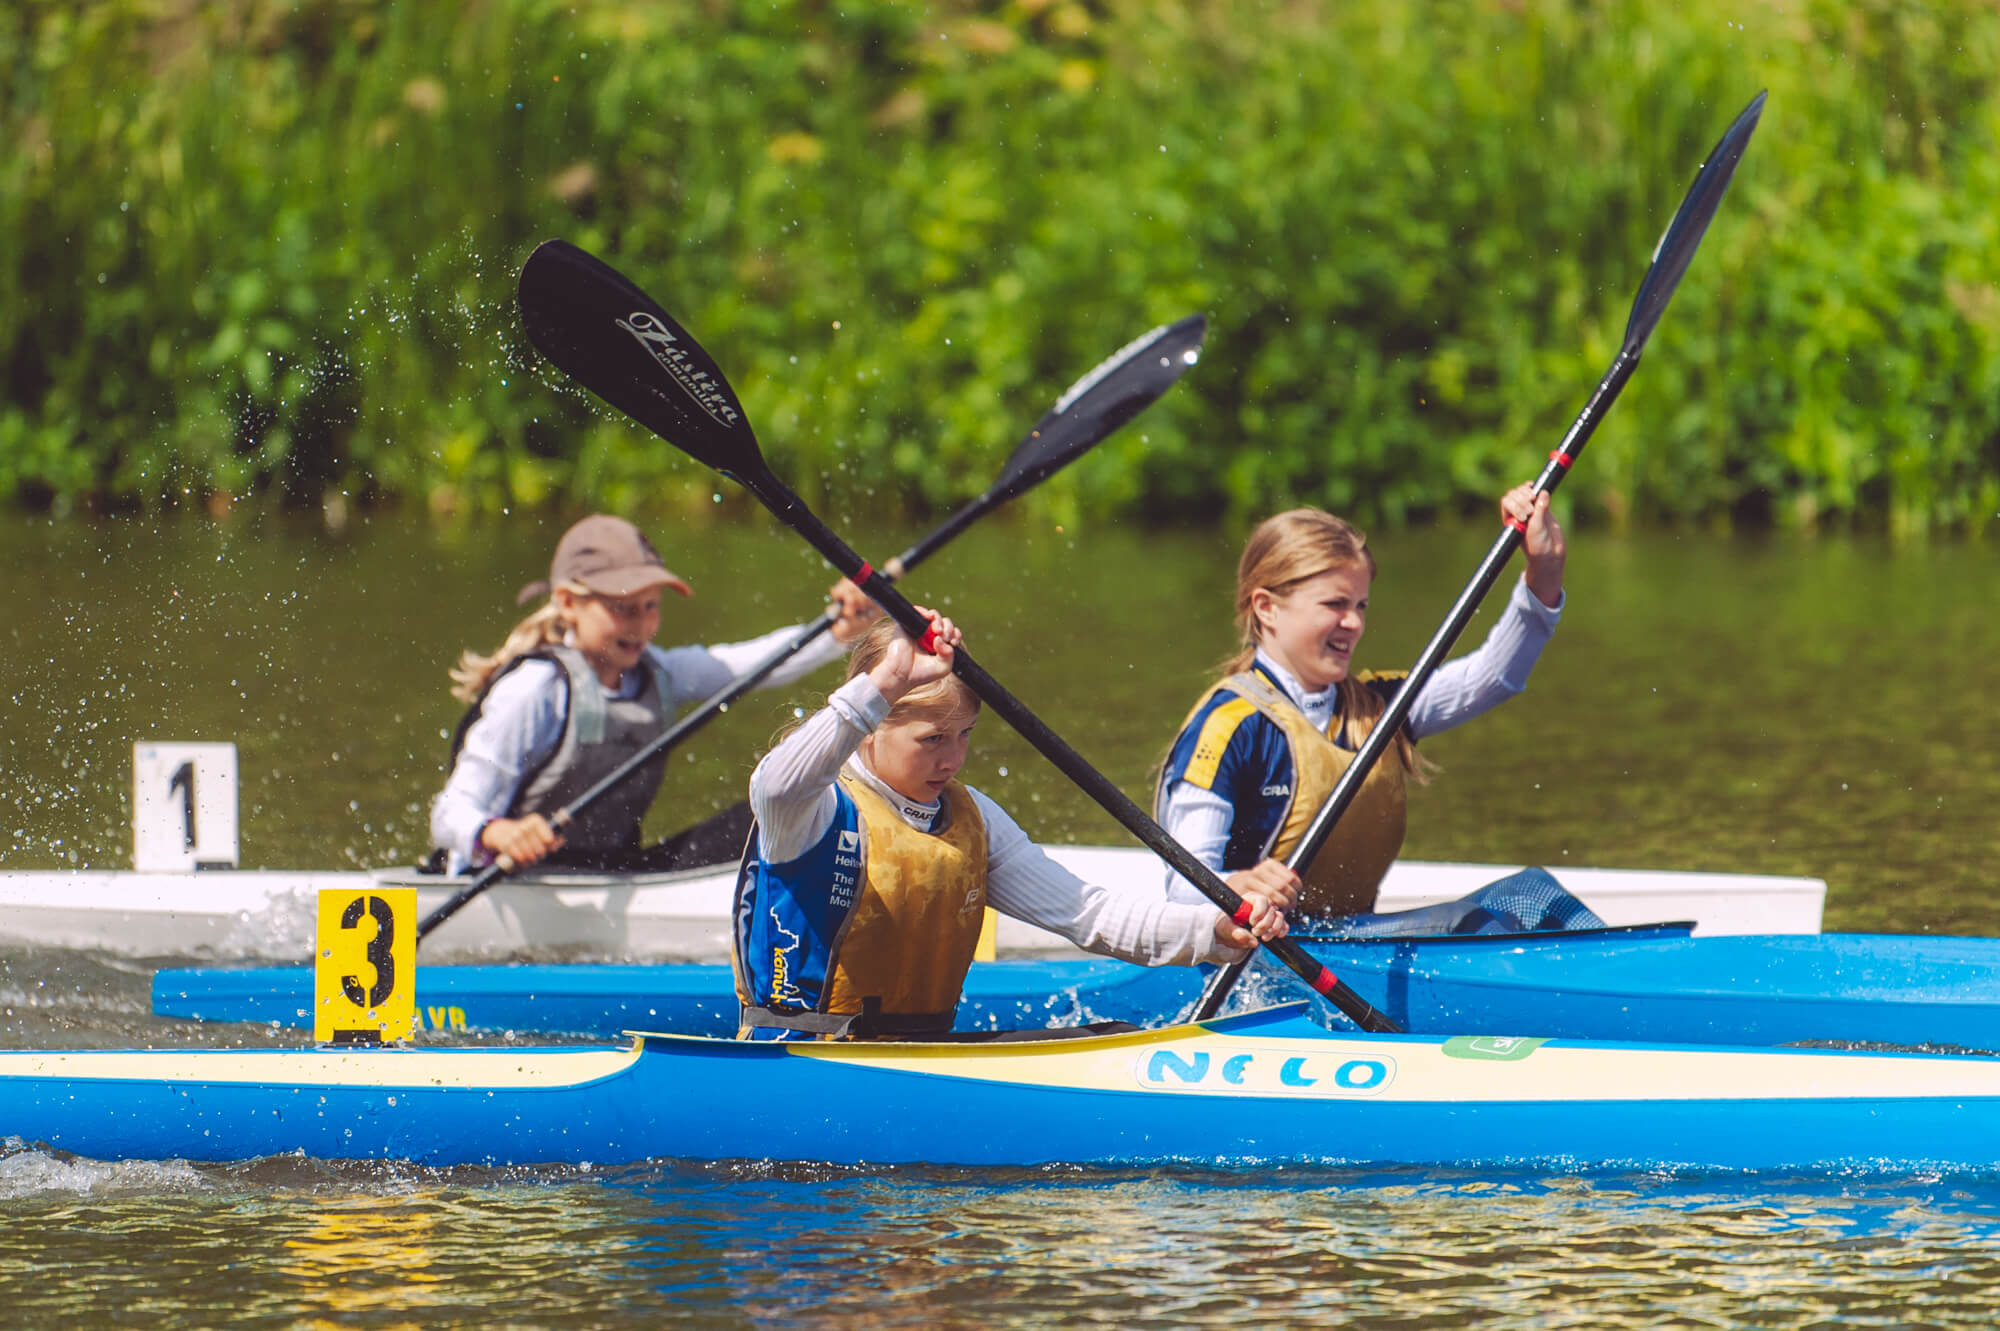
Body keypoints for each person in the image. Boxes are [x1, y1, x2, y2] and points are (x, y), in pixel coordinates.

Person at [731, 611, 1293, 1040]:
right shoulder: (817, 809)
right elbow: (772, 787)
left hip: (919, 1063)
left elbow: (1086, 912)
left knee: (1116, 1039)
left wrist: (1207, 931)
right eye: (932, 740)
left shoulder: (971, 817)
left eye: (965, 735)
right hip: (801, 1062)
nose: (952, 761)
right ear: (873, 726)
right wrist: (885, 684)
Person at [1155, 490, 1603, 938]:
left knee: (1532, 894)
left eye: (1361, 605)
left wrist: (1544, 570)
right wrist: (1235, 886)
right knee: (1481, 925)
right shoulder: (1229, 728)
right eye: (1334, 605)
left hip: (1346, 944)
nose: (1354, 623)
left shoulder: (1376, 707)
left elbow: (1494, 677)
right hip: (1266, 956)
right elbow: (1183, 893)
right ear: (1266, 608)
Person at [429, 513, 879, 875]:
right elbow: (450, 813)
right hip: (510, 881)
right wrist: (497, 833)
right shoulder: (534, 690)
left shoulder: (660, 672)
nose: (641, 625)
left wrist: (840, 629)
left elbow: (756, 666)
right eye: (623, 608)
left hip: (612, 871)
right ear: (568, 603)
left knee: (778, 810)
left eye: (651, 607)